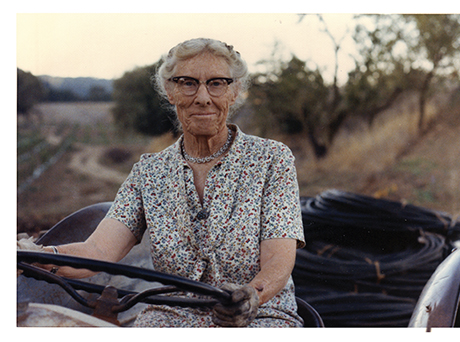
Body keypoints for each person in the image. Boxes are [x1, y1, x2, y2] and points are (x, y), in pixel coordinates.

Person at [18, 38, 306, 327]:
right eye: (188, 83)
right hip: (172, 315)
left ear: (235, 91)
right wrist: (35, 255)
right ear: (170, 91)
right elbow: (97, 251)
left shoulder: (272, 159)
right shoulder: (148, 172)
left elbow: (278, 260)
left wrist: (251, 296)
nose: (203, 97)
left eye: (217, 83)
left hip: (258, 314)